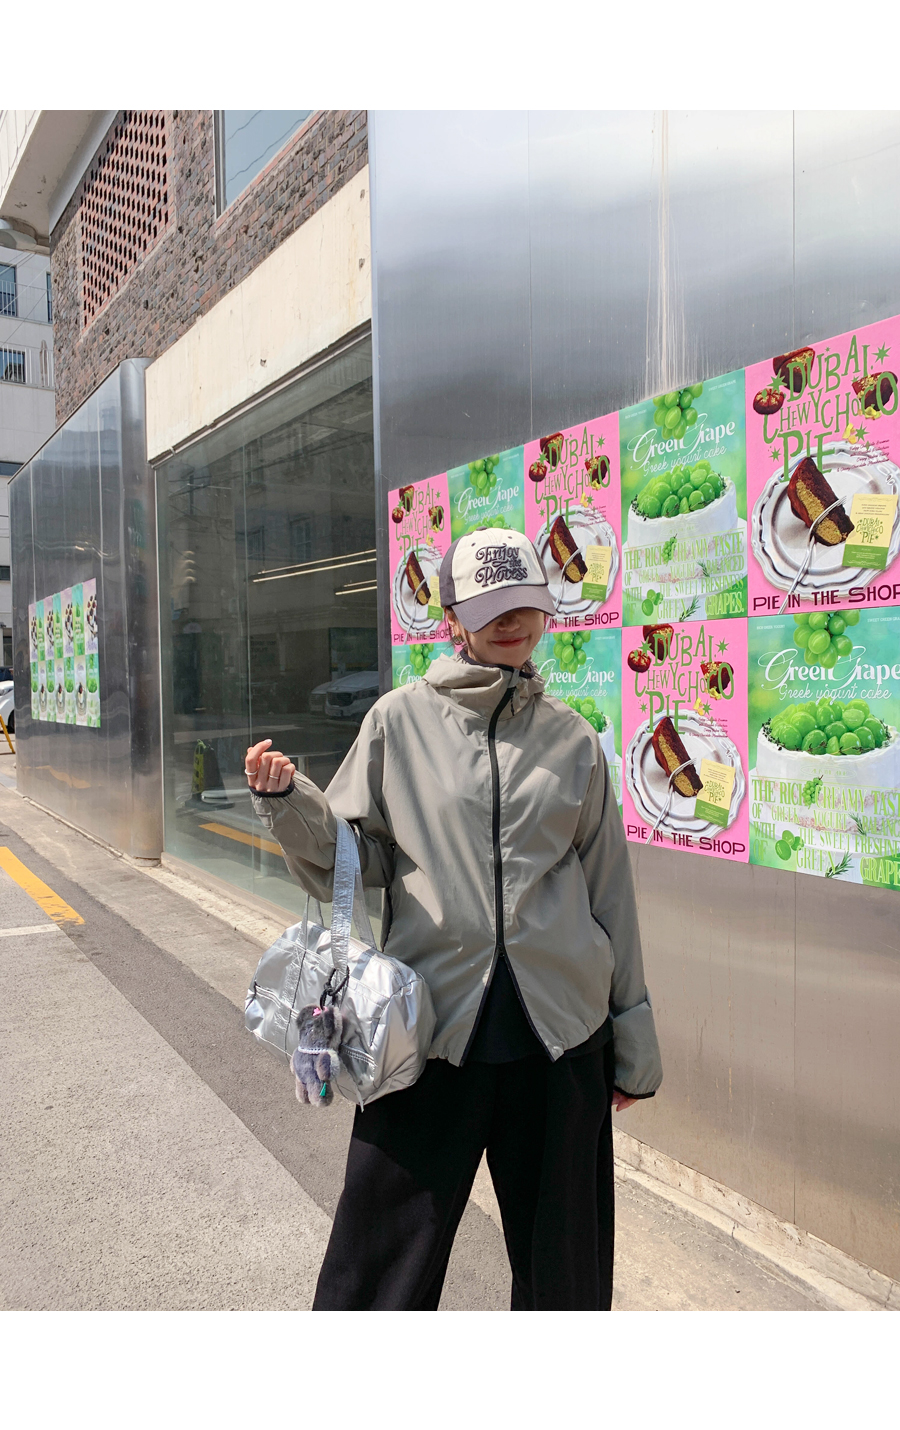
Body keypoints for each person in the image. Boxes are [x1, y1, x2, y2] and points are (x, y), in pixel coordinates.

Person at [245, 527, 662, 1311]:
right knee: (379, 1272)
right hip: (427, 1033)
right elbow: (356, 857)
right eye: (491, 608)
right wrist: (289, 803)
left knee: (566, 1280)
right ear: (452, 620)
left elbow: (609, 893)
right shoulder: (397, 723)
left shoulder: (573, 741)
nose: (512, 623)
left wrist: (631, 1037)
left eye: (526, 606)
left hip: (560, 1040)